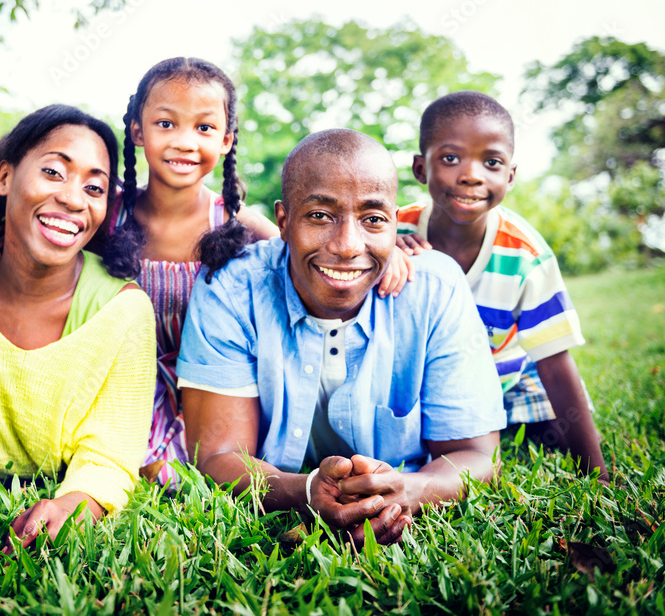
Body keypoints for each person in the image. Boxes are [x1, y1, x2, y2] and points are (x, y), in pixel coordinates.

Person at [178, 129, 507, 546]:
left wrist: (405, 491)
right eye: (320, 215)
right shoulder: (230, 287)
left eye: (372, 219)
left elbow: (478, 455)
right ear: (283, 221)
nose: (348, 245)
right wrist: (305, 492)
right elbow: (216, 457)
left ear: (394, 222)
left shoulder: (435, 289)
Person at [0, 104, 156, 549]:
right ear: (4, 179)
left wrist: (78, 502)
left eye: (94, 187)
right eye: (54, 172)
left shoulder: (124, 309)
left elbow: (111, 452)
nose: (74, 199)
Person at [396, 91, 609, 480]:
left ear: (510, 176)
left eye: (491, 162)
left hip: (507, 383)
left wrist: (597, 473)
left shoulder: (526, 256)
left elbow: (555, 363)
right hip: (425, 384)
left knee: (548, 436)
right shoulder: (393, 230)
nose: (472, 174)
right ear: (420, 168)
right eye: (450, 158)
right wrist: (384, 248)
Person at [112, 57, 280, 486]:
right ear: (137, 130)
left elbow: (310, 256)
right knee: (139, 472)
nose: (185, 142)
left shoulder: (237, 222)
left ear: (225, 140)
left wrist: (390, 252)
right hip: (123, 381)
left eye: (203, 128)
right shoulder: (107, 212)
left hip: (210, 383)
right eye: (166, 124)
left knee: (208, 473)